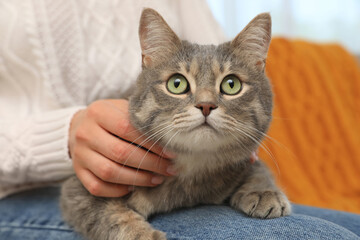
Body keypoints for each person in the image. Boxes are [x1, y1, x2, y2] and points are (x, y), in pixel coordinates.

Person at [0, 0, 359, 239]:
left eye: (228, 85)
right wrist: (60, 135)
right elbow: (77, 196)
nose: (205, 102)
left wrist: (252, 177)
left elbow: (211, 48)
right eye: (178, 83)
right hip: (25, 192)